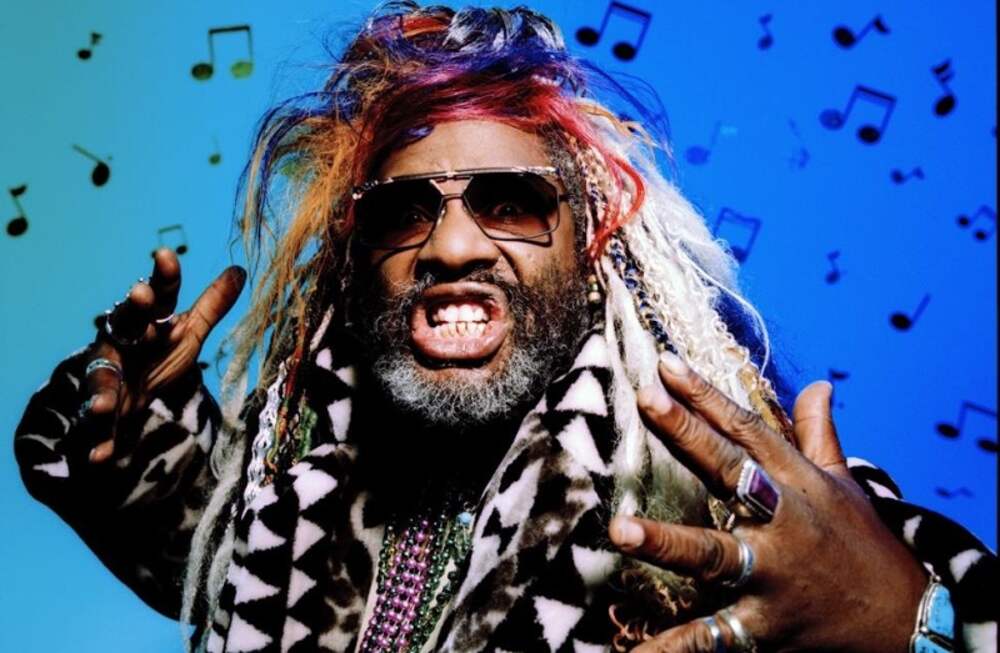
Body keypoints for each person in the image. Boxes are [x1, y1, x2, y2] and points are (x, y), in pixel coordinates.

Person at [13, 3, 995, 652]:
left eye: (511, 202)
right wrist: (126, 444)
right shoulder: (300, 485)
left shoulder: (741, 495)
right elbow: (218, 566)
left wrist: (911, 620)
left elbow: (870, 589)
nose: (451, 244)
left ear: (591, 242)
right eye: (402, 211)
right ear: (354, 262)